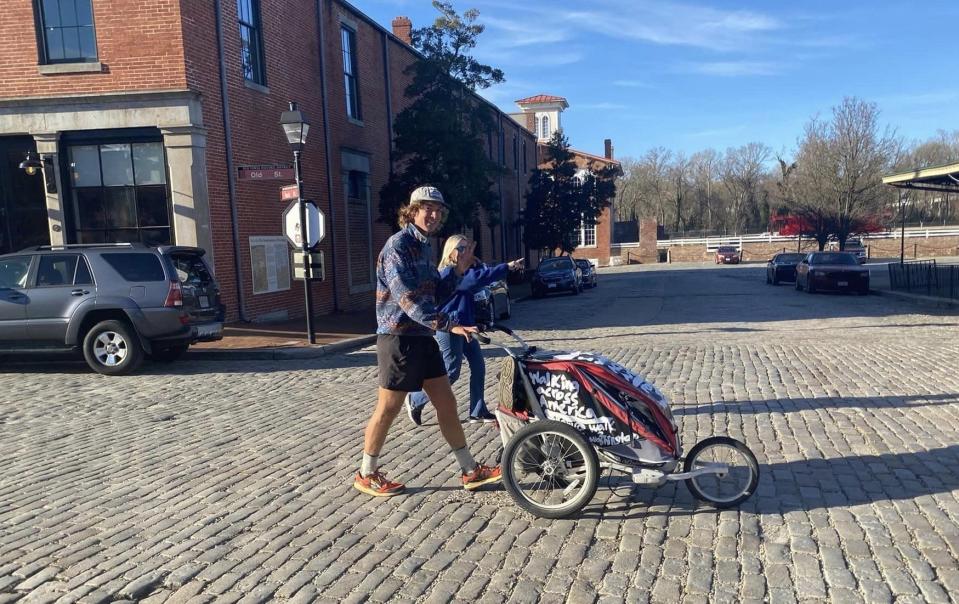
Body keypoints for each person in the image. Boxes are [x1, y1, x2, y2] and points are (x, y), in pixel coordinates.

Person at [354, 185, 502, 497]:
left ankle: (470, 470)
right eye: (427, 208)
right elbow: (408, 301)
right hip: (398, 338)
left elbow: (437, 293)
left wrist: (457, 272)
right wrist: (449, 324)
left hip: (423, 337)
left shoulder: (424, 248)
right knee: (388, 408)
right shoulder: (397, 247)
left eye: (438, 210)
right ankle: (366, 473)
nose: (434, 215)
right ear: (412, 211)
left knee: (446, 402)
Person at [406, 235, 523, 424]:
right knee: (452, 371)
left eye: (467, 248)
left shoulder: (463, 273)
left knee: (478, 365)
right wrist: (507, 267)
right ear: (451, 252)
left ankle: (477, 410)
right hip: (449, 328)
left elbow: (479, 276)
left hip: (466, 326)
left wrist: (477, 263)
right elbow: (478, 279)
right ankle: (415, 398)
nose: (465, 252)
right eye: (461, 248)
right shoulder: (447, 275)